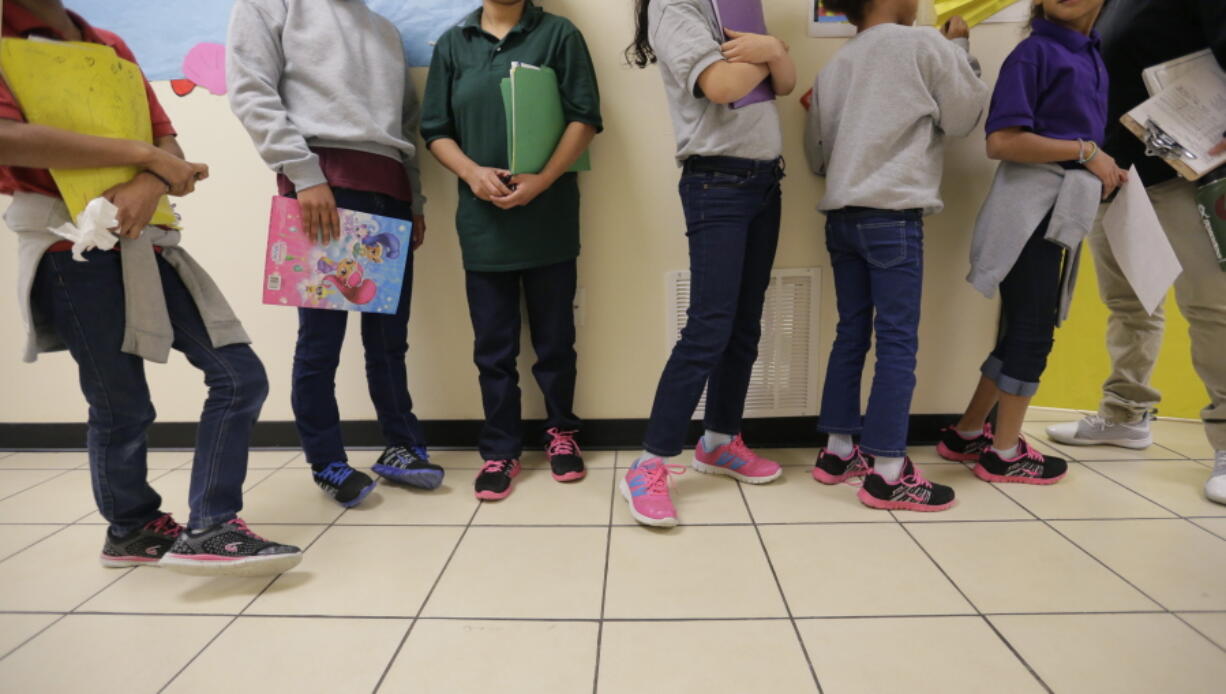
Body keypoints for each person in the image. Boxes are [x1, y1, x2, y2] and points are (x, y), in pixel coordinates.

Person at [0, 0, 301, 575]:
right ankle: (132, 528)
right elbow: (9, 140)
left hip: (151, 239)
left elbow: (171, 150)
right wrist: (141, 158)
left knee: (239, 375)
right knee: (122, 405)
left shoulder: (109, 45)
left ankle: (212, 523)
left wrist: (145, 178)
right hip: (72, 248)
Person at [227, 0, 444, 508]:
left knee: (389, 341)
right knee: (321, 342)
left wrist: (414, 201)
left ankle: (401, 447)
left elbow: (405, 126)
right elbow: (250, 90)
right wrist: (304, 176)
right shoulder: (272, 5)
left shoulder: (386, 31)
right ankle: (326, 461)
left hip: (389, 190)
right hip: (322, 184)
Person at [1041, 0, 1226, 505]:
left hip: (1186, 174)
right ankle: (1125, 414)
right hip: (1117, 174)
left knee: (1210, 308)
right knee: (1130, 303)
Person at [938, 0, 1127, 485]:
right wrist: (1087, 152)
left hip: (1053, 211)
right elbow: (1001, 142)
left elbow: (1071, 139)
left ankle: (966, 432)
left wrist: (1098, 162)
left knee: (1023, 326)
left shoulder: (1089, 54)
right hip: (1029, 214)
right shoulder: (1034, 53)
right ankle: (1003, 453)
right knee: (1032, 333)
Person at [808, 0, 987, 511]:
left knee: (851, 333)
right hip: (892, 216)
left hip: (842, 218)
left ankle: (838, 452)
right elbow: (964, 117)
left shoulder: (833, 67)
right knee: (896, 343)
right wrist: (961, 50)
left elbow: (817, 154)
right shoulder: (925, 44)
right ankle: (888, 471)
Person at [622, 0, 795, 527]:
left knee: (744, 325)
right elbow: (722, 86)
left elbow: (784, 84)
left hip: (765, 181)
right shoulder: (675, 8)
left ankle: (719, 440)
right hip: (716, 183)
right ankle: (649, 462)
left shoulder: (739, 5)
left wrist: (772, 50)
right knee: (709, 327)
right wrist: (773, 50)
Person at [421, 0, 601, 500]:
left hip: (549, 216)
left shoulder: (559, 34)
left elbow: (584, 116)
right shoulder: (455, 43)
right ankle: (500, 449)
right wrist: (473, 174)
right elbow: (435, 128)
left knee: (555, 340)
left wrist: (543, 180)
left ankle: (562, 433)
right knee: (493, 348)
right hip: (483, 222)